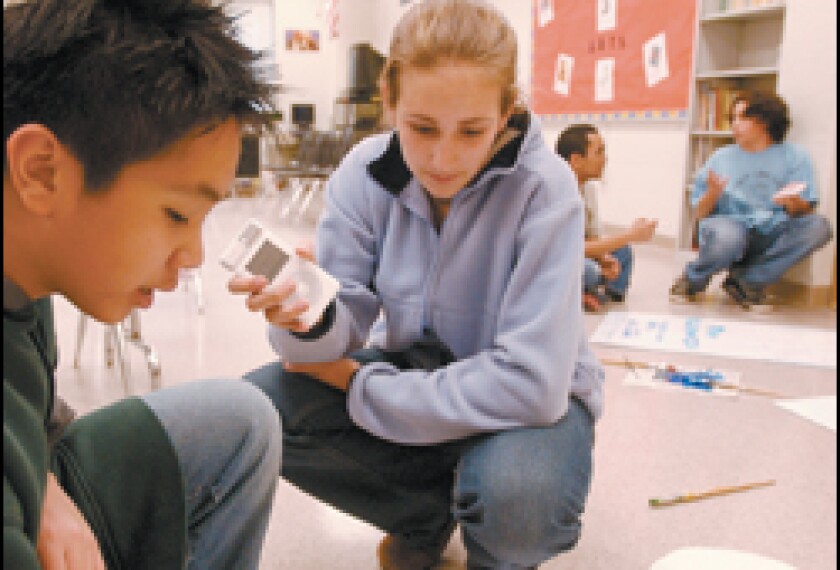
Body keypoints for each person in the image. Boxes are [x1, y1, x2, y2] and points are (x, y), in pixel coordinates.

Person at [230, 1, 604, 568]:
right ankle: (430, 515)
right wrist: (310, 318)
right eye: (421, 127)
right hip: (422, 364)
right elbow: (330, 338)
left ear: (508, 112)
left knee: (519, 500)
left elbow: (533, 386)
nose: (442, 159)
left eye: (472, 131)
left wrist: (359, 385)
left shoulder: (546, 190)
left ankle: (487, 520)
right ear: (390, 102)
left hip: (531, 399)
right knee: (258, 411)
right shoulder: (362, 171)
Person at [4, 1, 282, 568]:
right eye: (177, 215)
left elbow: (32, 404)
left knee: (239, 419)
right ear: (40, 171)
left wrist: (46, 486)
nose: (193, 256)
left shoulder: (25, 277)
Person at [670, 90, 833, 308]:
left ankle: (746, 282)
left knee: (819, 227)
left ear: (765, 120)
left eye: (743, 117)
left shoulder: (795, 156)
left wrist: (794, 202)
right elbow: (700, 213)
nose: (735, 124)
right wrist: (712, 193)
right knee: (729, 235)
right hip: (728, 228)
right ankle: (692, 280)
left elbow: (804, 211)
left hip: (771, 229)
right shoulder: (721, 157)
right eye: (733, 118)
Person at [556, 124, 657, 311]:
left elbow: (592, 237)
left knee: (622, 252)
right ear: (577, 160)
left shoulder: (588, 189)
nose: (605, 159)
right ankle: (589, 288)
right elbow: (571, 248)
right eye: (599, 152)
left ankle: (599, 291)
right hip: (559, 257)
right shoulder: (557, 191)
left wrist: (604, 258)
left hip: (577, 253)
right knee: (589, 270)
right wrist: (631, 235)